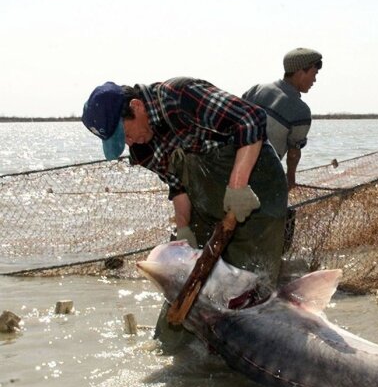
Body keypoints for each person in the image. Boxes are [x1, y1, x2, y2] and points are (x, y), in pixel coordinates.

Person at [81, 77, 288, 349]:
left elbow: (250, 119)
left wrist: (237, 187)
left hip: (256, 187)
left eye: (126, 135)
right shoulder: (142, 147)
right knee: (185, 284)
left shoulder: (179, 97)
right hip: (204, 198)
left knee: (249, 285)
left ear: (136, 106)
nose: (129, 143)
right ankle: (176, 352)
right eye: (122, 142)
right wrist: (184, 228)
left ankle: (251, 362)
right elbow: (176, 182)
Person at [243, 47, 322, 190]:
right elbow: (293, 153)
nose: (315, 80)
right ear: (300, 72)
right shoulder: (301, 110)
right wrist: (290, 179)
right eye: (314, 74)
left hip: (234, 164)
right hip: (262, 175)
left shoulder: (256, 89)